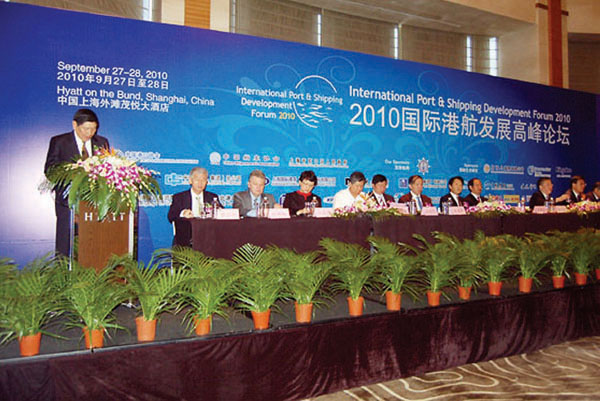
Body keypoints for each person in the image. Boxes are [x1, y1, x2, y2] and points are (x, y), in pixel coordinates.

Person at [44, 108, 109, 257]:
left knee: (94, 240)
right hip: (68, 201)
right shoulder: (60, 142)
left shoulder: (102, 142)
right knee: (65, 240)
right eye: (86, 128)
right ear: (75, 125)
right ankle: (63, 269)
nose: (90, 133)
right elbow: (50, 170)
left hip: (94, 200)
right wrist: (73, 171)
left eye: (93, 129)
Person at [167, 167, 222, 246]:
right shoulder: (179, 197)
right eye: (197, 180)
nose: (200, 183)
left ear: (207, 182)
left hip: (208, 238)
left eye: (203, 180)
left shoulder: (212, 197)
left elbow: (222, 212)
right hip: (185, 239)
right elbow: (171, 216)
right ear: (190, 181)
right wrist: (183, 213)